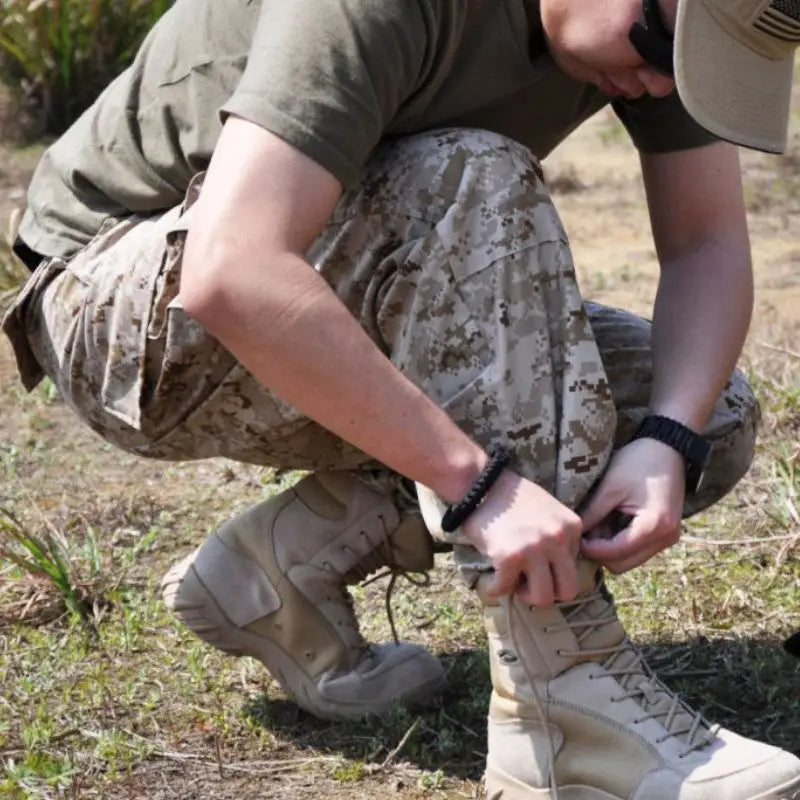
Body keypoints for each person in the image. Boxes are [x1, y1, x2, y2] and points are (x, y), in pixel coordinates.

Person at [4, 0, 800, 795]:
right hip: (114, 305)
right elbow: (233, 270)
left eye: (698, 70)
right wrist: (474, 483)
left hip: (316, 272)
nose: (665, 83)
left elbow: (707, 244)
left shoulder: (637, 56)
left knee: (707, 413)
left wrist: (665, 437)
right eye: (666, 44)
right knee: (469, 172)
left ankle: (280, 566)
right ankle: (565, 708)